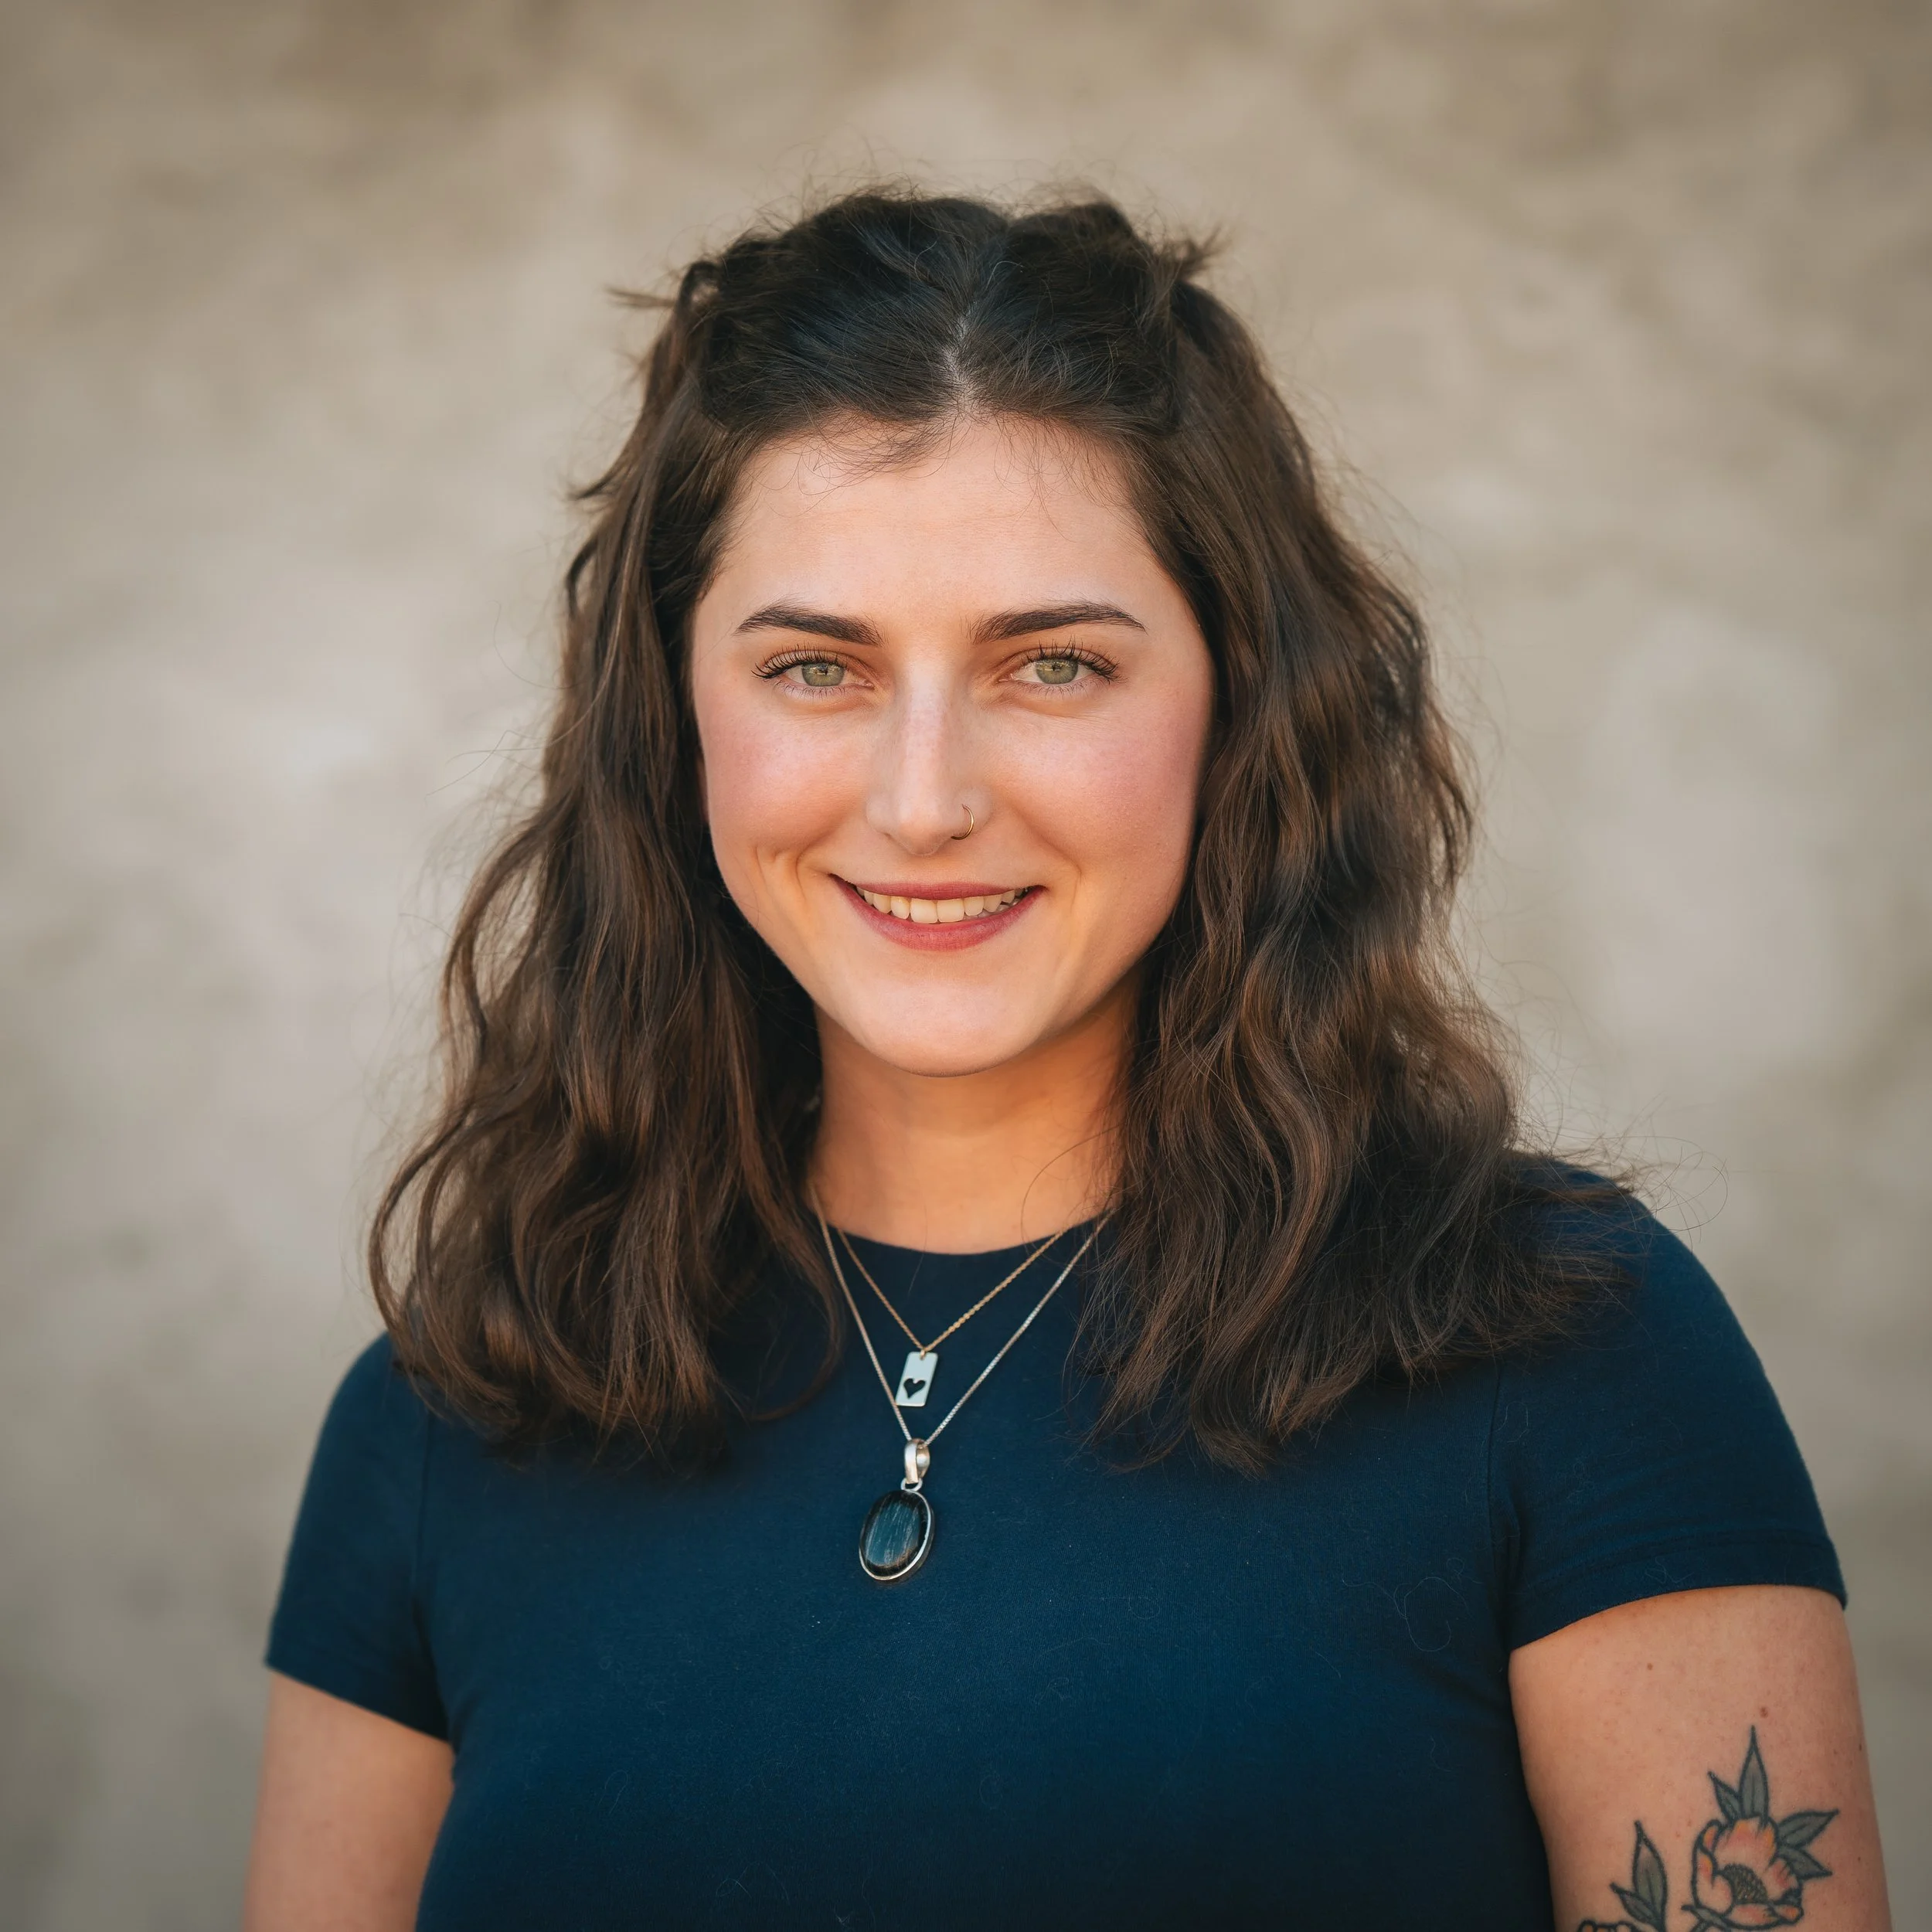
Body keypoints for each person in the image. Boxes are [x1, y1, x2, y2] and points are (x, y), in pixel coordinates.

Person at [243, 189, 1890, 1930]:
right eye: (815, 665)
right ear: (673, 720)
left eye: (1051, 664)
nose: (925, 798)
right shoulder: (449, 1416)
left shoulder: (1567, 1360)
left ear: (1236, 701)